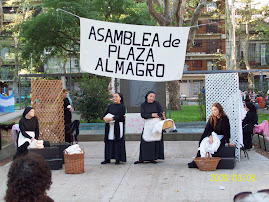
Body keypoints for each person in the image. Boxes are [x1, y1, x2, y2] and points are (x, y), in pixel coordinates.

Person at [188, 102, 231, 168]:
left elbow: (227, 131)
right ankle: (199, 160)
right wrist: (210, 136)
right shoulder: (212, 118)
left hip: (220, 137)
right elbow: (208, 129)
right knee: (204, 143)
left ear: (219, 110)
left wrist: (228, 142)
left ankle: (204, 161)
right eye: (213, 110)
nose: (214, 112)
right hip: (212, 135)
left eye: (215, 110)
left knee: (212, 145)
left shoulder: (224, 119)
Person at [134, 91, 164, 164]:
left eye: (153, 97)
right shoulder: (143, 105)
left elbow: (161, 113)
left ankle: (152, 158)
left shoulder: (157, 104)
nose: (152, 98)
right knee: (145, 141)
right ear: (147, 96)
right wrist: (152, 115)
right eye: (150, 96)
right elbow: (143, 115)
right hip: (147, 125)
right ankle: (142, 158)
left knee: (154, 141)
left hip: (156, 124)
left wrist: (157, 115)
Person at [101, 93, 126, 165]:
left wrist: (112, 118)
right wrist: (105, 118)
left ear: (120, 98)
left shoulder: (122, 106)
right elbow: (105, 113)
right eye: (113, 97)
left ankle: (117, 158)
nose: (114, 98)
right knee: (109, 141)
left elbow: (121, 115)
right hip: (110, 126)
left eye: (116, 97)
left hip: (117, 125)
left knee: (117, 141)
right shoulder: (110, 106)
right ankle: (107, 158)